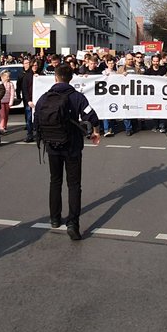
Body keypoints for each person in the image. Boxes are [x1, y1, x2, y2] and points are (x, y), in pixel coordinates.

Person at [34, 62, 100, 241]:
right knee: (74, 185)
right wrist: (95, 132)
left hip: (52, 145)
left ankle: (55, 218)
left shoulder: (44, 98)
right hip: (72, 146)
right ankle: (73, 223)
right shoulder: (77, 97)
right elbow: (92, 117)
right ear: (71, 79)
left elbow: (36, 120)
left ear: (55, 77)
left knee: (55, 181)